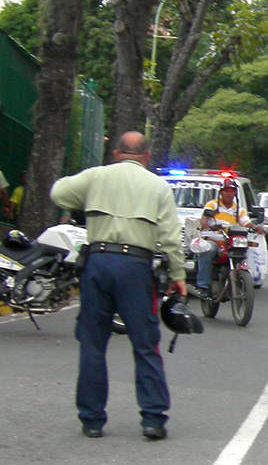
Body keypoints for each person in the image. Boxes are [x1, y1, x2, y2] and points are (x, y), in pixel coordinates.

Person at [50, 131, 186, 440]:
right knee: (145, 343)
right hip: (136, 268)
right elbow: (171, 237)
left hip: (97, 263)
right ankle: (153, 419)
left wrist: (86, 199)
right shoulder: (158, 186)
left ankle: (92, 419)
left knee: (93, 342)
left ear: (115, 153)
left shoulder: (96, 176)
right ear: (147, 156)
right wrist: (178, 276)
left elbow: (59, 193)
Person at [195, 177, 263, 297]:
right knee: (208, 250)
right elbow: (204, 219)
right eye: (226, 190)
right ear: (221, 192)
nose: (229, 193)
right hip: (215, 240)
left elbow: (245, 222)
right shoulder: (212, 205)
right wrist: (206, 225)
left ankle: (242, 280)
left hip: (231, 242)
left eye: (231, 190)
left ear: (235, 193)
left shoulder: (239, 210)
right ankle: (203, 286)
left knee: (246, 251)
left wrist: (255, 227)